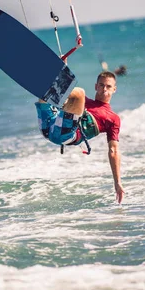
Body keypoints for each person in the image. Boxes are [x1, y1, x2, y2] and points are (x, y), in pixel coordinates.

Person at [35, 71, 125, 204]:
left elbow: (114, 150)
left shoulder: (113, 118)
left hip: (65, 134)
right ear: (96, 86)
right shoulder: (84, 101)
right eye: (101, 85)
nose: (104, 89)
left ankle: (57, 90)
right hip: (48, 127)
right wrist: (61, 69)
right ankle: (54, 83)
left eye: (108, 86)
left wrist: (117, 182)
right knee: (45, 96)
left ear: (114, 89)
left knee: (78, 93)